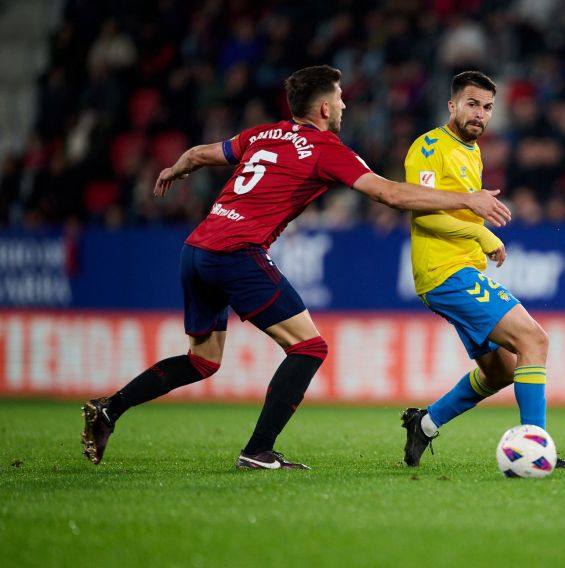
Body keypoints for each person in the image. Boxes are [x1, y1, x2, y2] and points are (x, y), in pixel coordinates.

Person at [81, 65, 512, 470]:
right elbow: (392, 195)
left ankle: (110, 408)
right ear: (324, 108)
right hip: (237, 252)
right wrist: (467, 200)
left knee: (203, 361)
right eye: (339, 99)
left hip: (196, 250)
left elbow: (197, 154)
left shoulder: (262, 133)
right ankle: (258, 451)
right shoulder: (326, 149)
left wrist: (174, 169)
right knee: (309, 348)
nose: (343, 105)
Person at [399, 71, 565, 470]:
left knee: (500, 372)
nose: (480, 113)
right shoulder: (429, 147)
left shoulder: (473, 151)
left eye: (487, 107)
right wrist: (480, 233)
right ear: (452, 105)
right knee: (534, 340)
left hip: (462, 270)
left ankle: (424, 424)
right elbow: (422, 210)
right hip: (444, 271)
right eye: (472, 104)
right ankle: (536, 446)